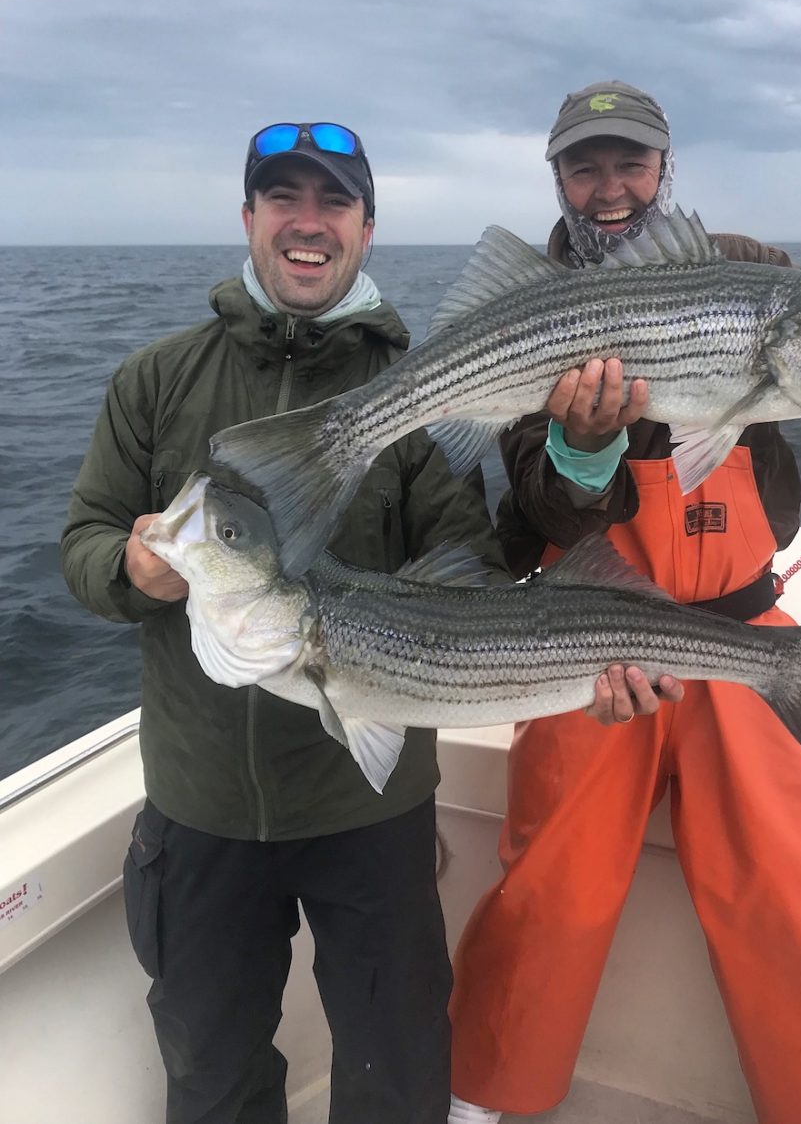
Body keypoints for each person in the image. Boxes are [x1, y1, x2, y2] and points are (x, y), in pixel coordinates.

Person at [447, 81, 801, 1124]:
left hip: (746, 626)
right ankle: (482, 1099)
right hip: (590, 639)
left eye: (630, 164)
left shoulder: (749, 267)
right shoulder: (526, 309)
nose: (610, 190)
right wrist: (579, 443)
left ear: (666, 169)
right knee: (548, 887)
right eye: (585, 167)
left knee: (793, 886)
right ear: (555, 178)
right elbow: (533, 502)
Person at [60, 121, 519, 1124]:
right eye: (283, 197)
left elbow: (468, 570)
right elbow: (85, 539)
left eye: (332, 201)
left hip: (371, 804)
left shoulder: (419, 391)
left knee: (395, 1069)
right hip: (199, 803)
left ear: (366, 227)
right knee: (211, 1073)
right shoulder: (156, 378)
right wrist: (133, 566)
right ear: (249, 217)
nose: (307, 222)